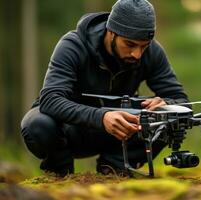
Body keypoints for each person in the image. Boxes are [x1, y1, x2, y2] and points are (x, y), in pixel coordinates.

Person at [20, 0, 189, 177]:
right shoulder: (73, 46)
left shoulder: (153, 52)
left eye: (144, 46)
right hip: (72, 130)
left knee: (171, 118)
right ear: (111, 32)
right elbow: (50, 99)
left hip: (122, 132)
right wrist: (102, 117)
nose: (137, 54)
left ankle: (115, 169)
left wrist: (166, 104)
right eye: (130, 44)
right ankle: (60, 173)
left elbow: (182, 101)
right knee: (38, 125)